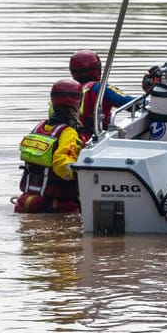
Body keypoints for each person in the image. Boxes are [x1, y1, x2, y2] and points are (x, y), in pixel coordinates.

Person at [14, 80, 85, 213]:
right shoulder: (68, 132)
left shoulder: (39, 128)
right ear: (78, 102)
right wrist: (82, 173)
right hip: (55, 206)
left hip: (27, 201)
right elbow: (62, 163)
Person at [70, 49, 131, 131]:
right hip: (95, 138)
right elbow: (129, 102)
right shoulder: (100, 89)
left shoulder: (64, 91)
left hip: (70, 137)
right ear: (97, 69)